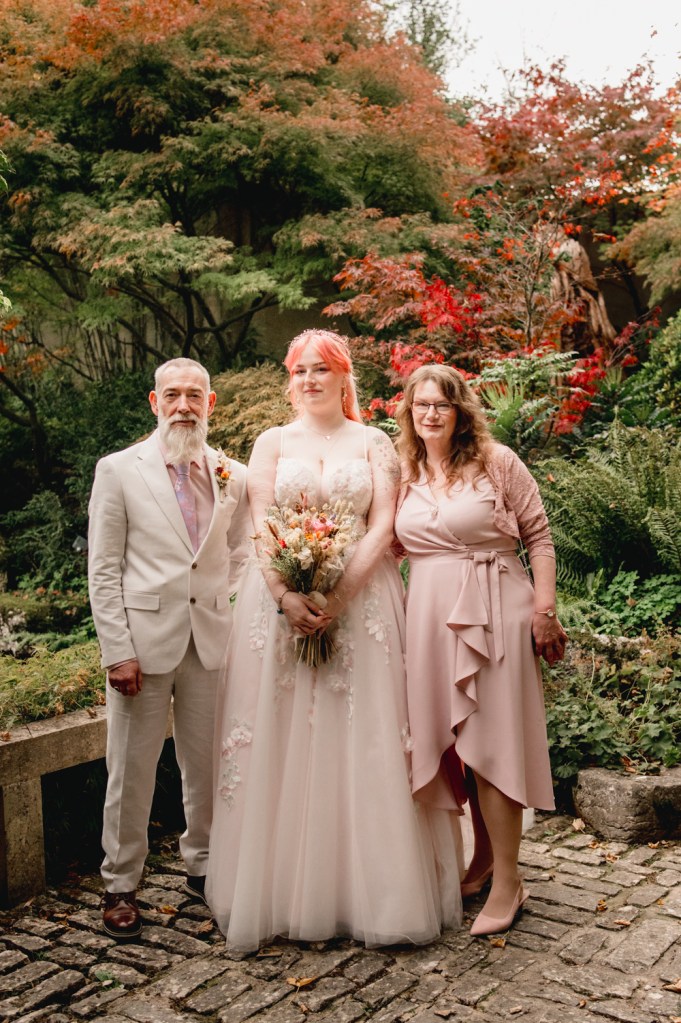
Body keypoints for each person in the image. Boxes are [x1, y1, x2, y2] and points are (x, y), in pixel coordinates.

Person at [206, 330, 463, 950]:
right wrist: (287, 596)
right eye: (300, 371)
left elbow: (383, 522)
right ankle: (280, 888)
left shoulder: (374, 442)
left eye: (323, 369)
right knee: (283, 738)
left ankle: (372, 891)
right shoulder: (271, 442)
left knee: (364, 736)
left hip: (363, 606)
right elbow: (263, 522)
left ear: (345, 378)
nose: (311, 379)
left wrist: (338, 595)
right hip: (281, 611)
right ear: (289, 381)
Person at [394, 364, 567, 937]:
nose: (431, 414)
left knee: (491, 743)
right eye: (421, 405)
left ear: (460, 409)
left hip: (495, 609)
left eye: (442, 404)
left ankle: (510, 880)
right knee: (455, 746)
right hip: (428, 616)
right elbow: (383, 541)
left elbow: (539, 537)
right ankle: (484, 858)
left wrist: (544, 611)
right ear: (409, 412)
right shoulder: (404, 471)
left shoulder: (498, 462)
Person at [88, 357, 250, 940]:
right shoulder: (118, 470)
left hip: (210, 641)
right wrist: (116, 650)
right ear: (154, 403)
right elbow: (103, 568)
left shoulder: (235, 473)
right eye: (173, 395)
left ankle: (203, 866)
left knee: (206, 765)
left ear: (211, 404)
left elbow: (241, 552)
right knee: (130, 770)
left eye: (195, 396)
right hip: (141, 644)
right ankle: (121, 883)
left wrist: (217, 600)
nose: (184, 405)